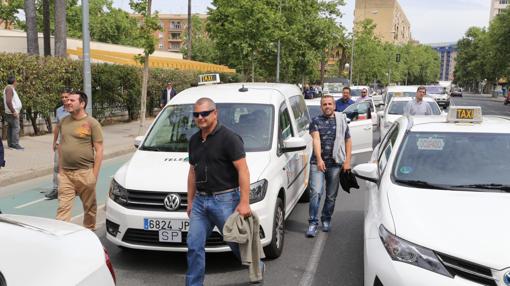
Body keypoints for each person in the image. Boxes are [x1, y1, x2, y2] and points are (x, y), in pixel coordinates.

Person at [186, 97, 263, 285]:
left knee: (237, 245)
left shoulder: (230, 138)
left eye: (204, 113)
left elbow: (243, 170)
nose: (200, 117)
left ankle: (258, 268)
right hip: (200, 202)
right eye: (196, 114)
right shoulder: (194, 140)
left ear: (215, 113)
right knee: (194, 245)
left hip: (225, 201)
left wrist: (244, 202)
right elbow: (192, 171)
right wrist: (190, 201)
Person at [56, 91, 103, 230]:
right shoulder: (64, 121)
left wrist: (93, 176)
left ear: (82, 104)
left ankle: (89, 233)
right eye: (67, 100)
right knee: (62, 209)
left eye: (72, 100)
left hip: (85, 173)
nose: (68, 102)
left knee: (90, 209)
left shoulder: (92, 123)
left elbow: (99, 150)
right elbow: (61, 146)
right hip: (66, 175)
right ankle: (61, 237)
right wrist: (60, 171)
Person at [307, 95, 352, 237]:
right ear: (321, 107)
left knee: (331, 196)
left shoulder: (341, 121)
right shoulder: (315, 121)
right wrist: (319, 159)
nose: (327, 106)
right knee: (316, 193)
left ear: (334, 106)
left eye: (329, 104)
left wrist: (347, 161)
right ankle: (313, 223)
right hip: (318, 163)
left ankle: (326, 219)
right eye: (324, 104)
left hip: (336, 164)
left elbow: (348, 141)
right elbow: (316, 139)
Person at [45, 89, 71, 200]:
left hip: (72, 143)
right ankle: (56, 189)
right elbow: (57, 128)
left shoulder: (75, 110)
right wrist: (54, 141)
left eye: (66, 97)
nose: (64, 99)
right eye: (62, 97)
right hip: (60, 143)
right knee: (56, 166)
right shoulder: (59, 110)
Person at [3, 75, 23, 150]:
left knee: (11, 128)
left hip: (10, 112)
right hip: (12, 113)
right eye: (16, 81)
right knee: (16, 128)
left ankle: (11, 144)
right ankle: (15, 144)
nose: (17, 83)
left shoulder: (9, 88)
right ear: (14, 82)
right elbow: (8, 101)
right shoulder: (9, 89)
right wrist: (14, 111)